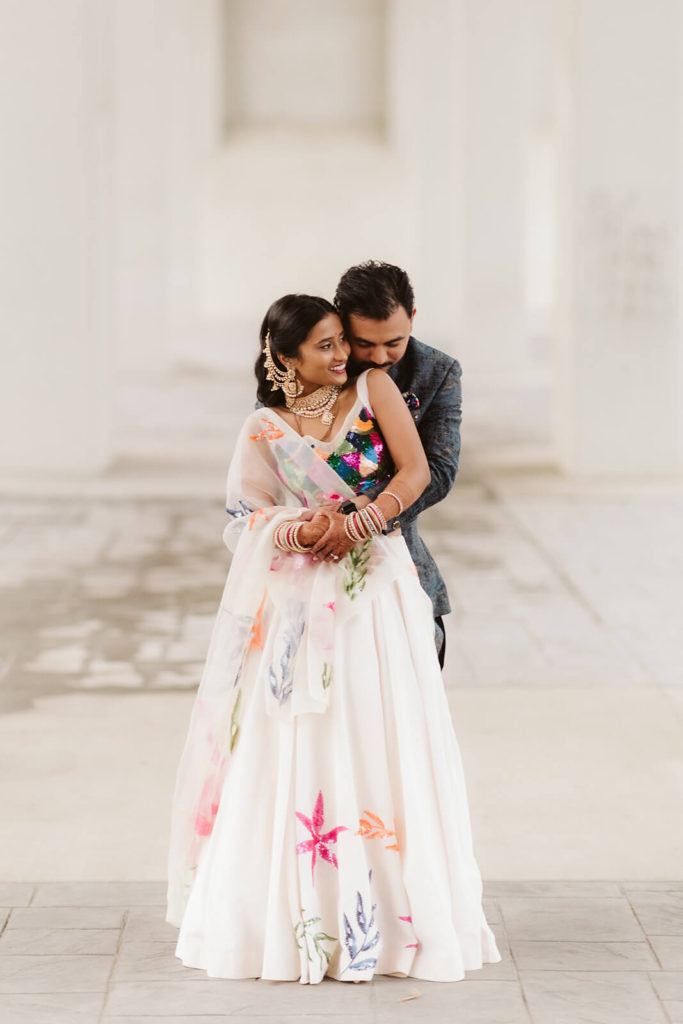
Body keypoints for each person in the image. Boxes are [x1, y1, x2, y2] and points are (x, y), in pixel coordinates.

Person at [166, 294, 500, 985]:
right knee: (300, 741)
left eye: (338, 343)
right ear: (283, 358)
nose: (342, 356)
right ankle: (297, 916)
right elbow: (243, 516)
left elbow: (416, 473)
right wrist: (292, 530)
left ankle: (390, 912)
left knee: (376, 731)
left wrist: (359, 520)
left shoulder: (373, 390)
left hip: (374, 597)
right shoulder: (261, 429)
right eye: (324, 346)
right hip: (293, 600)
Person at [305, 261, 461, 669]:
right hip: (310, 566)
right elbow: (273, 447)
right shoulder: (305, 365)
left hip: (400, 566)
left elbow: (439, 471)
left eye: (394, 342)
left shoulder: (437, 372)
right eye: (363, 344)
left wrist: (362, 513)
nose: (379, 357)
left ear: (412, 317)